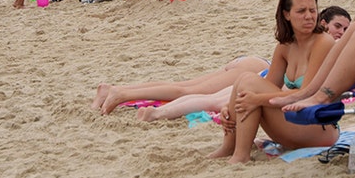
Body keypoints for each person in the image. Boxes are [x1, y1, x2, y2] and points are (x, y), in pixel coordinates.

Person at [208, 0, 338, 163]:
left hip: (320, 127)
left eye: (312, 10)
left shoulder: (323, 42)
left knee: (249, 83)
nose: (309, 16)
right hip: (295, 122)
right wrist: (230, 108)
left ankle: (239, 154)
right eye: (301, 11)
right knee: (246, 81)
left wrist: (254, 100)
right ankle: (230, 147)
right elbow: (268, 87)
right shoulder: (285, 47)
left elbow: (307, 93)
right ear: (286, 14)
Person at [93, 55, 271, 118]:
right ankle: (121, 94)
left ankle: (111, 90)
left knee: (181, 86)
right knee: (186, 91)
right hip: (254, 68)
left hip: (252, 62)